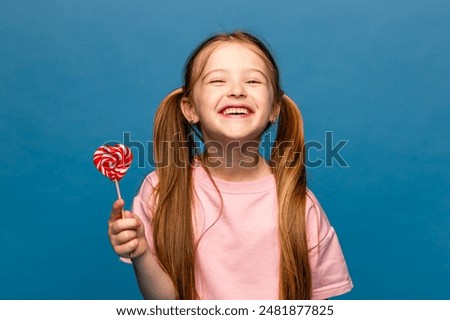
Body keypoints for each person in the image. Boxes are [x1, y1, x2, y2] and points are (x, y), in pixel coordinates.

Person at [107, 31, 353, 300]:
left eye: (253, 80)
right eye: (217, 80)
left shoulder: (299, 204)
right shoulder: (160, 191)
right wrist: (142, 253)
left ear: (274, 109)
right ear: (190, 109)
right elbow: (166, 305)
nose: (237, 90)